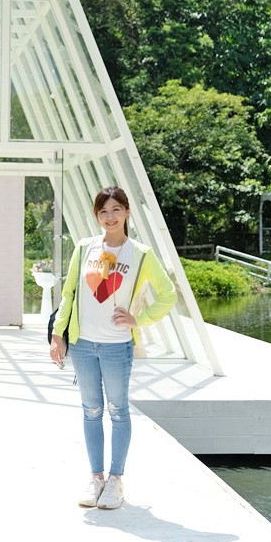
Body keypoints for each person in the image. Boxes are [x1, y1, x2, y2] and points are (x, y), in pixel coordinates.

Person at [50, 186, 177, 510]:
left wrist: (139, 320)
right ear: (97, 215)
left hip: (116, 346)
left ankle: (116, 481)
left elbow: (168, 295)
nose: (110, 217)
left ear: (127, 212)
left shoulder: (140, 254)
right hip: (82, 345)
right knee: (91, 411)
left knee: (118, 411)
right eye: (103, 211)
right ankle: (96, 479)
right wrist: (58, 334)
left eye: (116, 210)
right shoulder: (85, 248)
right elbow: (69, 294)